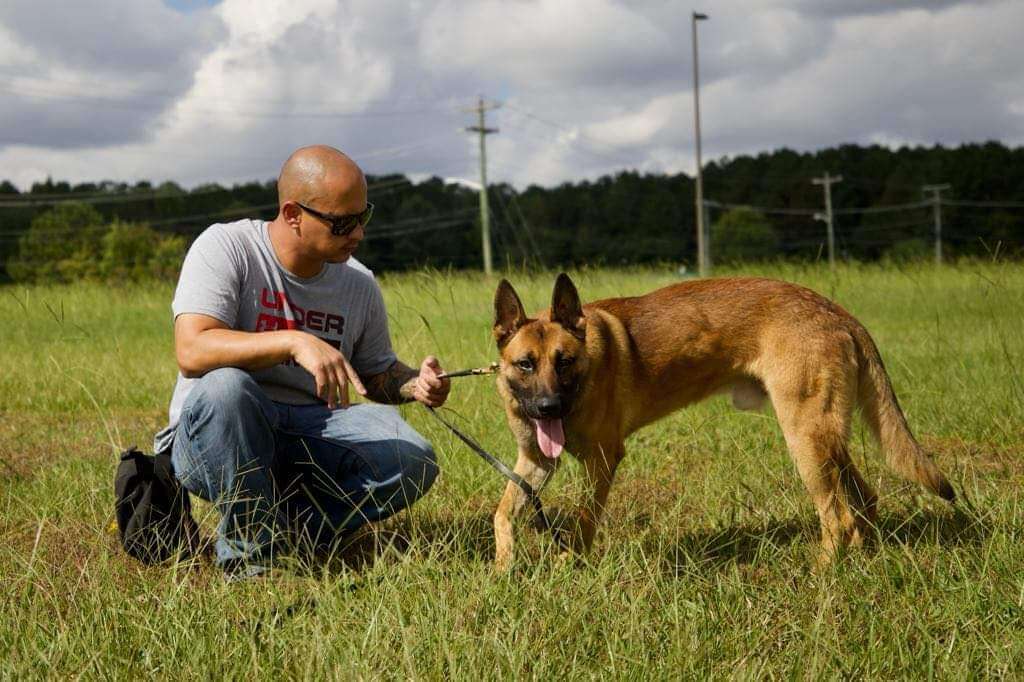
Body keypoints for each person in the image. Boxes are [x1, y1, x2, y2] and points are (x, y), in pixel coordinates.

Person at [152, 145, 450, 580]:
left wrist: (414, 384)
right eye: (342, 222)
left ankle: (295, 533)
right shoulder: (226, 247)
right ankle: (252, 557)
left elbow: (376, 375)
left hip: (312, 428)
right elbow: (192, 350)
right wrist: (293, 341)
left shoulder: (359, 283)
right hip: (219, 433)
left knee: (414, 458)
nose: (358, 234)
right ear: (293, 214)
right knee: (229, 388)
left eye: (363, 216)